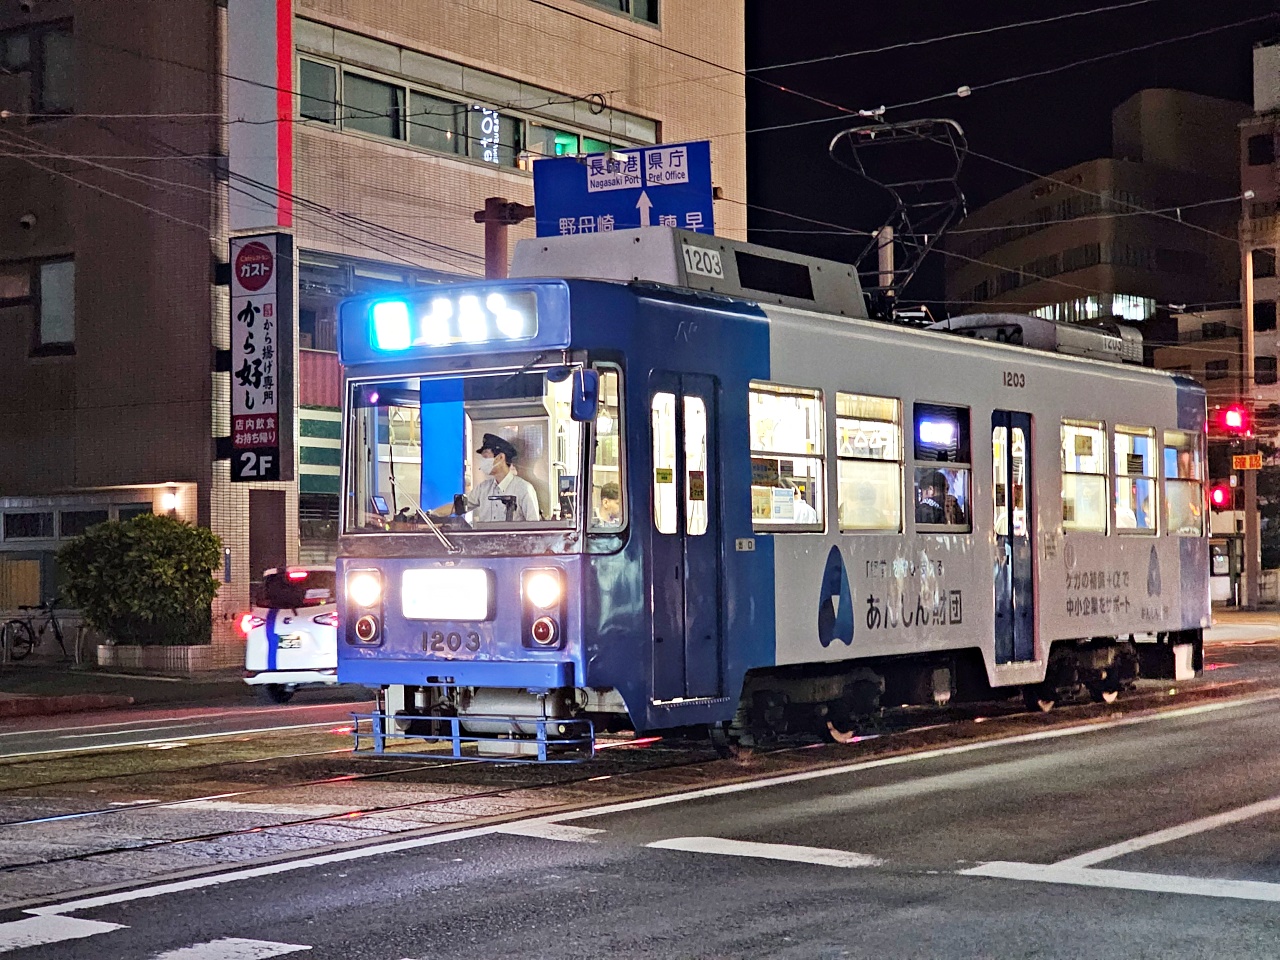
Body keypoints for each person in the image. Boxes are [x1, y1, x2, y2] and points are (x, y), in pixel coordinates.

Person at [433, 433, 541, 523]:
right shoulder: (483, 489)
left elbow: (534, 528)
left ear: (500, 457)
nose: (483, 462)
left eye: (485, 456)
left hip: (514, 547)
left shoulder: (523, 489)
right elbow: (456, 507)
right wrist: (430, 514)